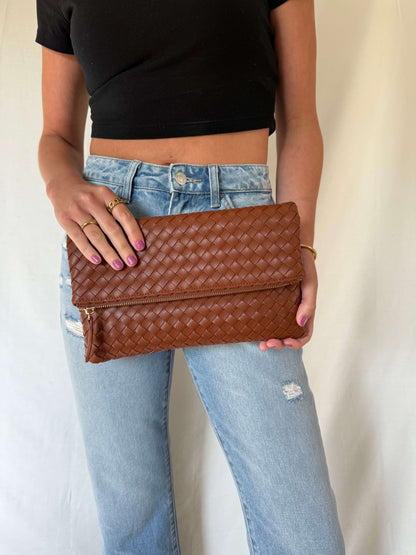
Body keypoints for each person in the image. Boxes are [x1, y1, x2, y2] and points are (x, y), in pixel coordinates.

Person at [35, 0, 345, 553]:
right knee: (133, 525)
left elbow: (301, 120)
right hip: (109, 236)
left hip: (239, 231)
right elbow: (56, 136)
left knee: (304, 533)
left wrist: (299, 245)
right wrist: (62, 185)